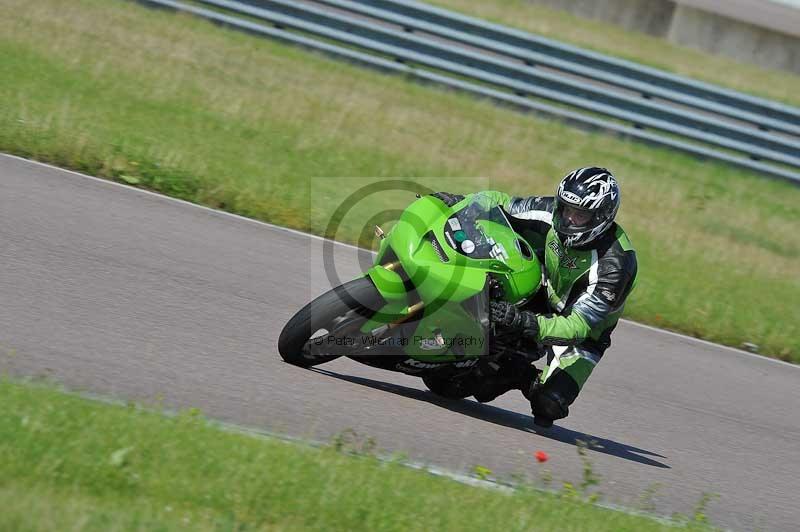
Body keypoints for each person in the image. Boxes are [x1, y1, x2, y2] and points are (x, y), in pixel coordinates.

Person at [433, 167, 638, 427]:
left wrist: (524, 322)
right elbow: (502, 202)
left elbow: (578, 326)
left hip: (581, 335)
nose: (569, 219)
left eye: (580, 215)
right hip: (542, 290)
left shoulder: (615, 265)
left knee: (548, 406)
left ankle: (520, 374)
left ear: (602, 217)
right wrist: (464, 203)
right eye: (565, 209)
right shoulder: (551, 211)